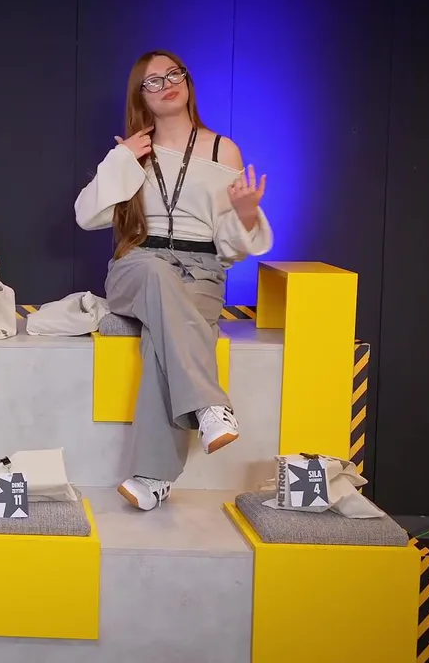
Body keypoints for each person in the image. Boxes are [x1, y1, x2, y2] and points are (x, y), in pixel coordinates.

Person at [75, 50, 273, 512]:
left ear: (187, 81)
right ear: (139, 95)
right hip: (137, 264)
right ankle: (209, 404)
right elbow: (87, 216)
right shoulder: (132, 150)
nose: (167, 84)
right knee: (155, 272)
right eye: (153, 81)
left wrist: (246, 213)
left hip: (201, 271)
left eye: (174, 74)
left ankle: (154, 476)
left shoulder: (224, 150)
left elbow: (230, 247)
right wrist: (121, 159)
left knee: (160, 341)